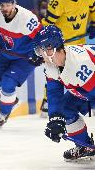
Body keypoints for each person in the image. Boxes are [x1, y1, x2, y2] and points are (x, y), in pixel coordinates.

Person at [0, 0, 43, 127]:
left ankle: (2, 114)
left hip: (25, 58)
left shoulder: (27, 19)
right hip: (5, 54)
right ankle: (11, 102)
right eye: (2, 4)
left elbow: (41, 37)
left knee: (8, 82)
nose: (4, 8)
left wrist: (39, 53)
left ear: (15, 4)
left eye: (8, 4)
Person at [33, 25, 95, 161]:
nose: (41, 54)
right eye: (39, 50)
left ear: (52, 48)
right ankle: (85, 146)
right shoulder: (51, 64)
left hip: (91, 87)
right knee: (64, 108)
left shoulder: (80, 65)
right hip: (87, 90)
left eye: (42, 49)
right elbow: (54, 92)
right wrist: (56, 118)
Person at [40, 0, 95, 117]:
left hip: (79, 46)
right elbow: (48, 24)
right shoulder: (58, 1)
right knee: (55, 72)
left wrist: (93, 23)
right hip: (61, 48)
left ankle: (87, 101)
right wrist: (43, 39)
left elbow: (93, 10)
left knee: (82, 75)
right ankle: (47, 101)